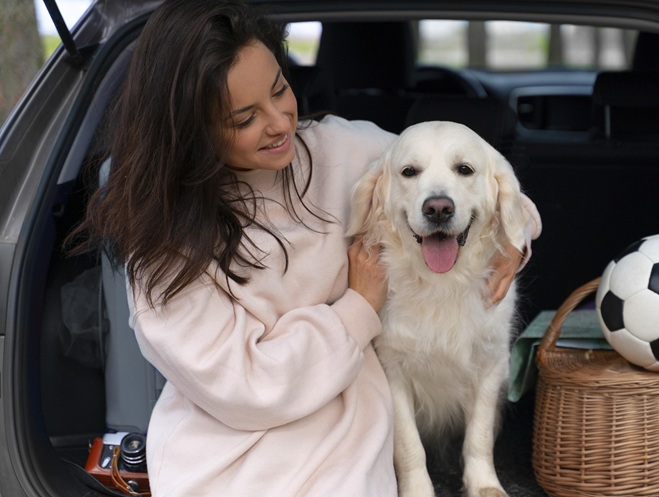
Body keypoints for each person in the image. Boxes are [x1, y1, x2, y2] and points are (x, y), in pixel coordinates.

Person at [67, 1, 541, 496]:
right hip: (229, 457)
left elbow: (461, 173)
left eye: (279, 90)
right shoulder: (164, 252)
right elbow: (249, 387)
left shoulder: (342, 149)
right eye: (245, 117)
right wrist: (358, 308)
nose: (279, 123)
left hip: (349, 445)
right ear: (192, 132)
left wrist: (516, 236)